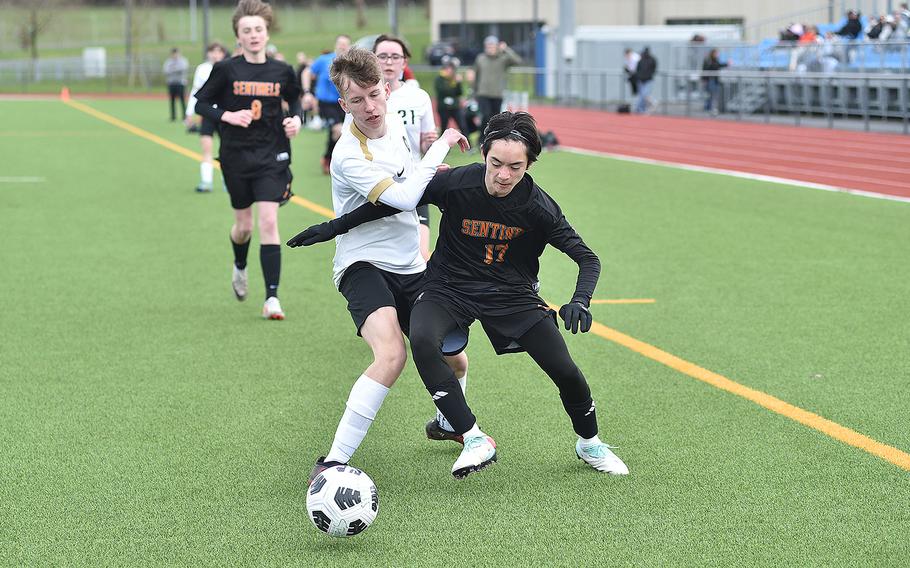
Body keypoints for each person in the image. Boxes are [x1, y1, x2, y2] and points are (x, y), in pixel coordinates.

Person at [290, 111, 629, 479]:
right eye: (495, 163)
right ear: (483, 153)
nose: (503, 175)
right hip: (447, 288)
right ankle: (472, 437)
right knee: (421, 340)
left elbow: (587, 258)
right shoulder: (455, 184)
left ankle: (590, 443)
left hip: (511, 295)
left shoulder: (538, 207)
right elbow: (392, 203)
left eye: (515, 167)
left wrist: (580, 299)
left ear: (530, 163)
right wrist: (332, 227)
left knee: (566, 371)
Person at [292, 47, 471, 484]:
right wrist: (443, 144)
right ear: (343, 103)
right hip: (362, 264)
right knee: (391, 354)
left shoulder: (394, 129)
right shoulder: (349, 153)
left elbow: (410, 178)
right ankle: (332, 461)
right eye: (357, 101)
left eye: (374, 95)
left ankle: (447, 424)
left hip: (410, 263)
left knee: (456, 359)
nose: (369, 108)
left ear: (387, 89)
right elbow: (407, 198)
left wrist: (428, 169)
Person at [193, 0, 302, 320]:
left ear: (267, 34)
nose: (253, 35)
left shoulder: (282, 70)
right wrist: (226, 114)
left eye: (258, 29)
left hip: (273, 155)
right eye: (246, 31)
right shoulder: (226, 69)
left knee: (268, 221)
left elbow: (294, 100)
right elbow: (200, 102)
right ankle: (240, 265)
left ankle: (272, 298)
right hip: (236, 156)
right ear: (237, 37)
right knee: (243, 226)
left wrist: (296, 120)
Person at [372, 34, 438, 261]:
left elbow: (425, 144)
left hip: (414, 184)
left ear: (404, 62)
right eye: (383, 56)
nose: (389, 62)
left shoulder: (418, 97)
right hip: (377, 186)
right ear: (373, 60)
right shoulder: (364, 98)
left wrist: (429, 143)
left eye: (395, 57)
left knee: (420, 256)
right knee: (382, 259)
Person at [303, 35, 351, 174]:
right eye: (340, 44)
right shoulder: (324, 60)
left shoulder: (351, 64)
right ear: (336, 45)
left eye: (345, 44)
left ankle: (329, 158)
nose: (342, 46)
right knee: (338, 130)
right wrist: (307, 92)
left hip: (345, 104)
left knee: (339, 133)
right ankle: (333, 161)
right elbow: (307, 72)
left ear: (349, 47)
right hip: (326, 104)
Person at [185, 42, 228, 193]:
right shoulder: (202, 69)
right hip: (208, 113)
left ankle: (228, 182)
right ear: (208, 53)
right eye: (212, 52)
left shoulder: (228, 67)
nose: (215, 55)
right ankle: (206, 181)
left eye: (219, 52)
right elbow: (196, 91)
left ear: (223, 54)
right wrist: (189, 112)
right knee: (206, 147)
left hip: (225, 114)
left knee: (227, 150)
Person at [473, 35, 522, 143]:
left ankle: (492, 139)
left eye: (492, 45)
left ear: (497, 46)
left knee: (495, 119)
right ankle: (481, 139)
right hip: (483, 93)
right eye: (488, 45)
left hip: (497, 94)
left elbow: (518, 61)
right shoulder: (480, 58)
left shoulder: (503, 58)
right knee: (485, 117)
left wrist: (506, 49)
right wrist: (474, 92)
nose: (490, 48)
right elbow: (476, 76)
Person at [434, 59, 469, 136]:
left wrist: (458, 83)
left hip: (455, 107)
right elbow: (442, 91)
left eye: (451, 69)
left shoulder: (455, 79)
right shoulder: (439, 79)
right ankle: (443, 145)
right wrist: (454, 84)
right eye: (447, 68)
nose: (449, 71)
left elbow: (459, 92)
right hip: (443, 107)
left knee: (462, 126)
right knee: (444, 127)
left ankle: (469, 145)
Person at [163, 47, 189, 122]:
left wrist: (173, 69)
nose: (175, 55)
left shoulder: (183, 60)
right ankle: (173, 117)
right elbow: (166, 70)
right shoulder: (168, 62)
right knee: (172, 100)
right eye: (173, 54)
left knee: (182, 100)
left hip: (180, 83)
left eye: (176, 53)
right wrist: (175, 69)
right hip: (171, 83)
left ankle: (184, 116)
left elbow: (182, 69)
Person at [701, 48, 728, 115]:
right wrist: (704, 79)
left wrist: (726, 64)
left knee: (713, 95)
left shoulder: (716, 60)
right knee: (710, 94)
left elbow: (718, 65)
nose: (717, 55)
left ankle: (711, 108)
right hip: (710, 80)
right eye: (716, 53)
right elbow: (707, 69)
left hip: (715, 80)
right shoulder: (708, 60)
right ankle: (708, 108)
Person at [634, 47, 657, 114]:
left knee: (645, 94)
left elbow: (654, 68)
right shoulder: (641, 60)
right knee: (641, 95)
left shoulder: (652, 59)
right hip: (641, 80)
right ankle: (640, 109)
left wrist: (650, 75)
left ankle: (653, 103)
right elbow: (638, 69)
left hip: (648, 79)